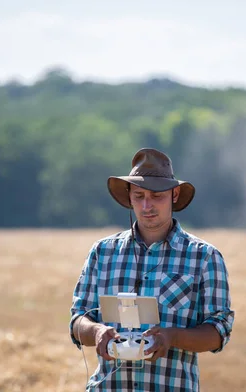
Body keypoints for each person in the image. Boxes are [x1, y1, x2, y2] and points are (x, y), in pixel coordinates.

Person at [69, 148, 235, 391]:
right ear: (129, 196)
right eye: (139, 196)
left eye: (156, 196)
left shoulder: (205, 256)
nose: (147, 205)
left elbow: (219, 331)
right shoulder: (102, 252)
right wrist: (96, 331)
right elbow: (77, 320)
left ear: (174, 194)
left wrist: (172, 337)